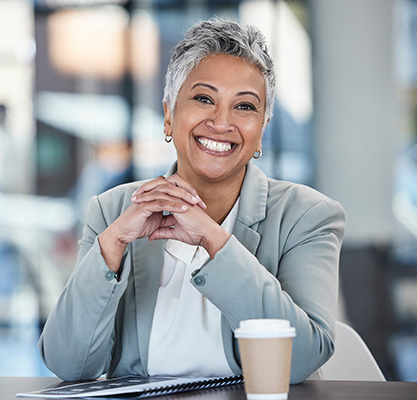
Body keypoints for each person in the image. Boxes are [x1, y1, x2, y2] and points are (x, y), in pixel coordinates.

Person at [38, 16, 345, 384]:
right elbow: (69, 364)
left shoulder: (307, 216)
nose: (221, 121)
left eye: (245, 106)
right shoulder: (112, 211)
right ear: (169, 115)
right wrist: (114, 243)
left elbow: (300, 358)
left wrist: (213, 239)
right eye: (203, 98)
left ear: (262, 129)